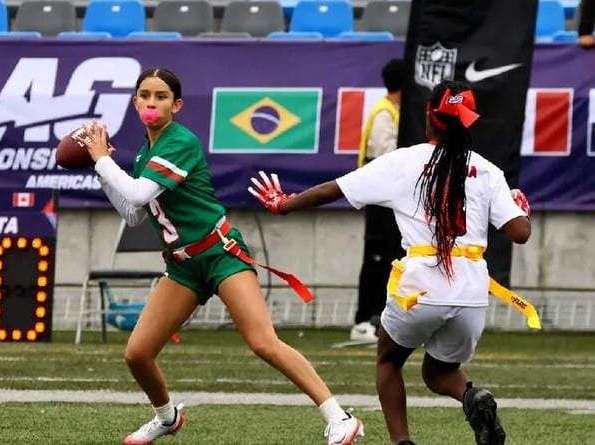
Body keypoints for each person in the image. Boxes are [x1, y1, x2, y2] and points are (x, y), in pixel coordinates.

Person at [79, 67, 364, 445]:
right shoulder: (146, 154)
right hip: (182, 264)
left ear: (176, 105)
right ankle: (167, 417)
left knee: (263, 341)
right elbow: (133, 214)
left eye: (161, 96)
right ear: (135, 102)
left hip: (219, 252)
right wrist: (102, 171)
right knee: (137, 354)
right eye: (145, 95)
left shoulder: (179, 141)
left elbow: (135, 195)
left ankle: (340, 417)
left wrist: (101, 160)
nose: (151, 102)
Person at [249, 80, 533, 445]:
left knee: (388, 362)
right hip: (472, 293)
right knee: (439, 372)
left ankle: (402, 442)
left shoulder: (403, 161)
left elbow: (332, 190)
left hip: (420, 286)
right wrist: (521, 209)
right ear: (467, 122)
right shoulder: (488, 170)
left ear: (429, 118)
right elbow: (519, 233)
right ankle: (472, 397)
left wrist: (283, 204)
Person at [351, 58, 406, 343]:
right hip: (378, 196)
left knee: (391, 258)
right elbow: (387, 157)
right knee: (375, 258)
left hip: (389, 197)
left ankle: (382, 319)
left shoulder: (394, 111)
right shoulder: (385, 114)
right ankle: (363, 321)